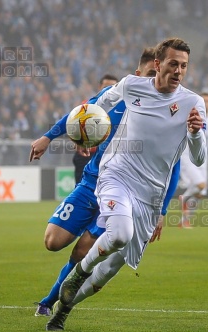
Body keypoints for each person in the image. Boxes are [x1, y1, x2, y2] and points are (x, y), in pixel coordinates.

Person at [48, 37, 206, 331]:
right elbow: (98, 104)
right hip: (117, 175)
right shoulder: (133, 86)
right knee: (119, 233)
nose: (179, 71)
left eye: (184, 66)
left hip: (150, 196)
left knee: (106, 273)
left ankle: (63, 309)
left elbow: (198, 158)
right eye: (173, 64)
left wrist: (196, 134)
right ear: (158, 65)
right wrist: (80, 131)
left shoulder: (193, 103)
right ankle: (78, 272)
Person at [29, 48, 180, 317]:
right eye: (148, 75)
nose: (151, 82)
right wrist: (48, 137)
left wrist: (162, 211)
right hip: (91, 184)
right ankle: (53, 298)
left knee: (82, 252)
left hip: (125, 193)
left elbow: (174, 164)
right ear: (137, 75)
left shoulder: (163, 114)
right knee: (52, 241)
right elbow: (79, 114)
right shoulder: (119, 97)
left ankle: (49, 301)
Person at [179, 91, 208, 228]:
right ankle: (185, 198)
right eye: (203, 100)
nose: (206, 103)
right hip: (187, 156)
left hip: (202, 158)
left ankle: (185, 220)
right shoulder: (190, 115)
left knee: (201, 193)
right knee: (200, 185)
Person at [73, 74, 119, 184]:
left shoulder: (122, 108)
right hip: (86, 154)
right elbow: (74, 124)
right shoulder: (88, 104)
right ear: (99, 87)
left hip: (108, 156)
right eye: (106, 86)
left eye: (113, 86)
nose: (109, 89)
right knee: (82, 189)